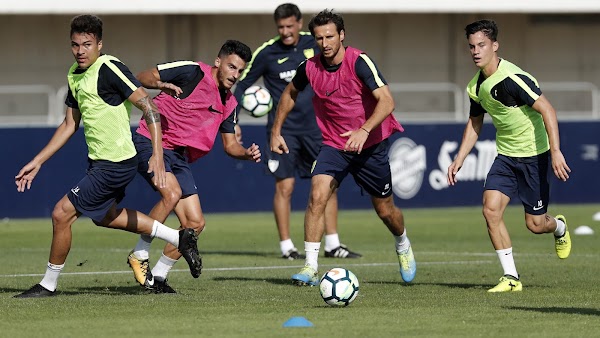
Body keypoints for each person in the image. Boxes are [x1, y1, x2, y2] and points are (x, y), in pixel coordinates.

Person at [13, 14, 201, 298]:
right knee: (106, 217)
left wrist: (158, 155)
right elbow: (69, 124)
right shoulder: (74, 75)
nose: (80, 51)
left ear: (99, 44)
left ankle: (48, 284)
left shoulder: (109, 67)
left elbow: (149, 108)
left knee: (61, 214)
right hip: (99, 162)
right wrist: (37, 161)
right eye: (75, 45)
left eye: (87, 44)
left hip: (116, 163)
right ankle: (178, 237)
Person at [270, 9, 416, 286]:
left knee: (386, 211)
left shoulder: (360, 62)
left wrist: (364, 130)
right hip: (334, 146)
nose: (324, 43)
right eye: (319, 38)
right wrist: (276, 131)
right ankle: (311, 267)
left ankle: (402, 243)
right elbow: (289, 93)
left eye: (329, 37)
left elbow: (387, 101)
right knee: (316, 195)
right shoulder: (309, 67)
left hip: (370, 146)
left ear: (341, 35)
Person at [126, 40, 261, 293]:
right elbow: (142, 77)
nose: (235, 75)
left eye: (240, 71)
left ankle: (158, 277)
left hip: (178, 156)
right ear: (218, 62)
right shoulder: (192, 71)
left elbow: (230, 145)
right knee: (172, 192)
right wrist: (160, 83)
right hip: (151, 142)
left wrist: (246, 153)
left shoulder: (229, 103)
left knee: (195, 224)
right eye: (231, 67)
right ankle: (139, 253)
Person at [447, 19, 572, 293]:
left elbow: (548, 110)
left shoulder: (513, 79)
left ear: (495, 45)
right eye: (471, 46)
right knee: (490, 210)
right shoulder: (474, 87)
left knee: (536, 225)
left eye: (481, 45)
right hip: (505, 156)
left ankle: (559, 227)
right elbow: (475, 122)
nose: (476, 51)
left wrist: (555, 151)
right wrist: (460, 158)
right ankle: (511, 277)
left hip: (534, 156)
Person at [234, 3, 361, 260]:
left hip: (318, 128)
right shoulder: (267, 53)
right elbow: (240, 85)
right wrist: (233, 121)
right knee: (286, 187)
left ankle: (333, 244)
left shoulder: (315, 43)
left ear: (299, 23)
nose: (286, 31)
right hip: (284, 132)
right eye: (281, 27)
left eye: (290, 26)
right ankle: (287, 246)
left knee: (328, 185)